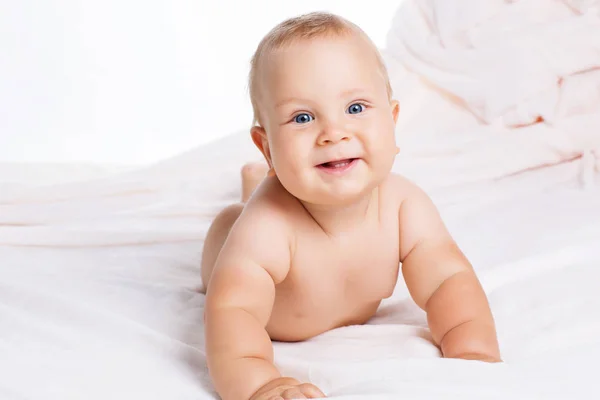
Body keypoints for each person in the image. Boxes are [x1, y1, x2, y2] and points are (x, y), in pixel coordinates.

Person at [201, 11, 501, 400]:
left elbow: (448, 281)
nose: (333, 133)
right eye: (302, 117)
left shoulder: (404, 205)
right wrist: (261, 385)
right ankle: (252, 187)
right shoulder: (267, 227)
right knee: (234, 219)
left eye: (355, 108)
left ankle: (256, 177)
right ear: (268, 147)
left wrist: (472, 349)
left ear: (392, 121)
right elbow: (233, 312)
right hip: (236, 252)